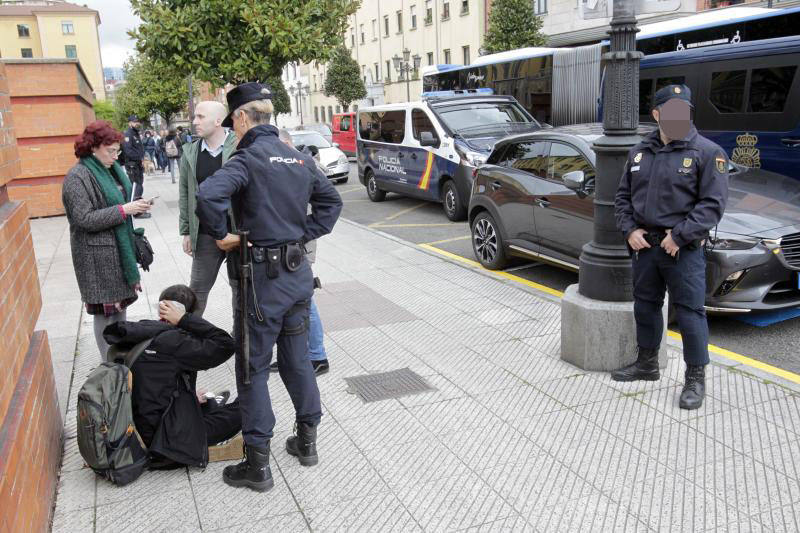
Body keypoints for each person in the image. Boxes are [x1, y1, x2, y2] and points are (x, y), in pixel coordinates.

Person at [196, 82, 342, 492]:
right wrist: (297, 234)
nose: (234, 127)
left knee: (253, 367)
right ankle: (306, 441)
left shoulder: (249, 158)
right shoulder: (297, 157)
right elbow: (331, 204)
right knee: (297, 360)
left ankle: (258, 464)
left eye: (233, 121)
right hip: (297, 278)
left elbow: (208, 194)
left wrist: (229, 235)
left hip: (261, 283)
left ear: (241, 118)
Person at [613, 84, 729, 410]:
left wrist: (679, 236)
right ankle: (647, 364)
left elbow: (712, 205)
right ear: (657, 114)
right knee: (645, 306)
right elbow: (622, 198)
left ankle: (695, 378)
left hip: (683, 248)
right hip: (645, 246)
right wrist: (630, 230)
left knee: (691, 314)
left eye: (685, 111)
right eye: (673, 111)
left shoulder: (707, 153)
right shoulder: (639, 152)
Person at [103, 284, 241, 468]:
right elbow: (226, 344)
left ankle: (207, 404)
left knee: (206, 402)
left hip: (133, 430)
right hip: (165, 440)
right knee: (248, 407)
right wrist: (185, 320)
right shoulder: (177, 342)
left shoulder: (140, 332)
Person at [62, 120, 152, 360]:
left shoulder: (111, 170)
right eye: (110, 151)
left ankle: (119, 357)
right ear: (93, 147)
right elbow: (83, 219)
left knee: (119, 310)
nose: (115, 156)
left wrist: (134, 206)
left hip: (117, 253)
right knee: (105, 314)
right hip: (96, 258)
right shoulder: (78, 176)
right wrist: (124, 210)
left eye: (117, 151)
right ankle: (108, 364)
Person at [269, 128, 329, 375]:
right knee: (294, 300)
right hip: (291, 242)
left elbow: (327, 203)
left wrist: (304, 234)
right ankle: (298, 354)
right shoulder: (288, 165)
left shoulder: (301, 166)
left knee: (305, 300)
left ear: (285, 144)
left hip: (299, 244)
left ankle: (318, 356)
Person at [179, 101, 239, 316]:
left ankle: (240, 337)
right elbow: (185, 193)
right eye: (194, 117)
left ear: (217, 120)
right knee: (197, 291)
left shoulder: (240, 146)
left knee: (241, 290)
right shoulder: (190, 152)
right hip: (205, 231)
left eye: (200, 117)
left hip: (237, 231)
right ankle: (190, 336)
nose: (194, 122)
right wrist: (186, 230)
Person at [120, 115, 150, 218]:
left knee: (139, 185)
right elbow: (128, 151)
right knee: (136, 187)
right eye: (135, 122)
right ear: (130, 123)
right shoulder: (128, 134)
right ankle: (137, 212)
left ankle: (138, 209)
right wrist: (139, 158)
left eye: (138, 122)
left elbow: (139, 149)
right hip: (132, 164)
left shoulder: (136, 133)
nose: (137, 123)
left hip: (137, 164)